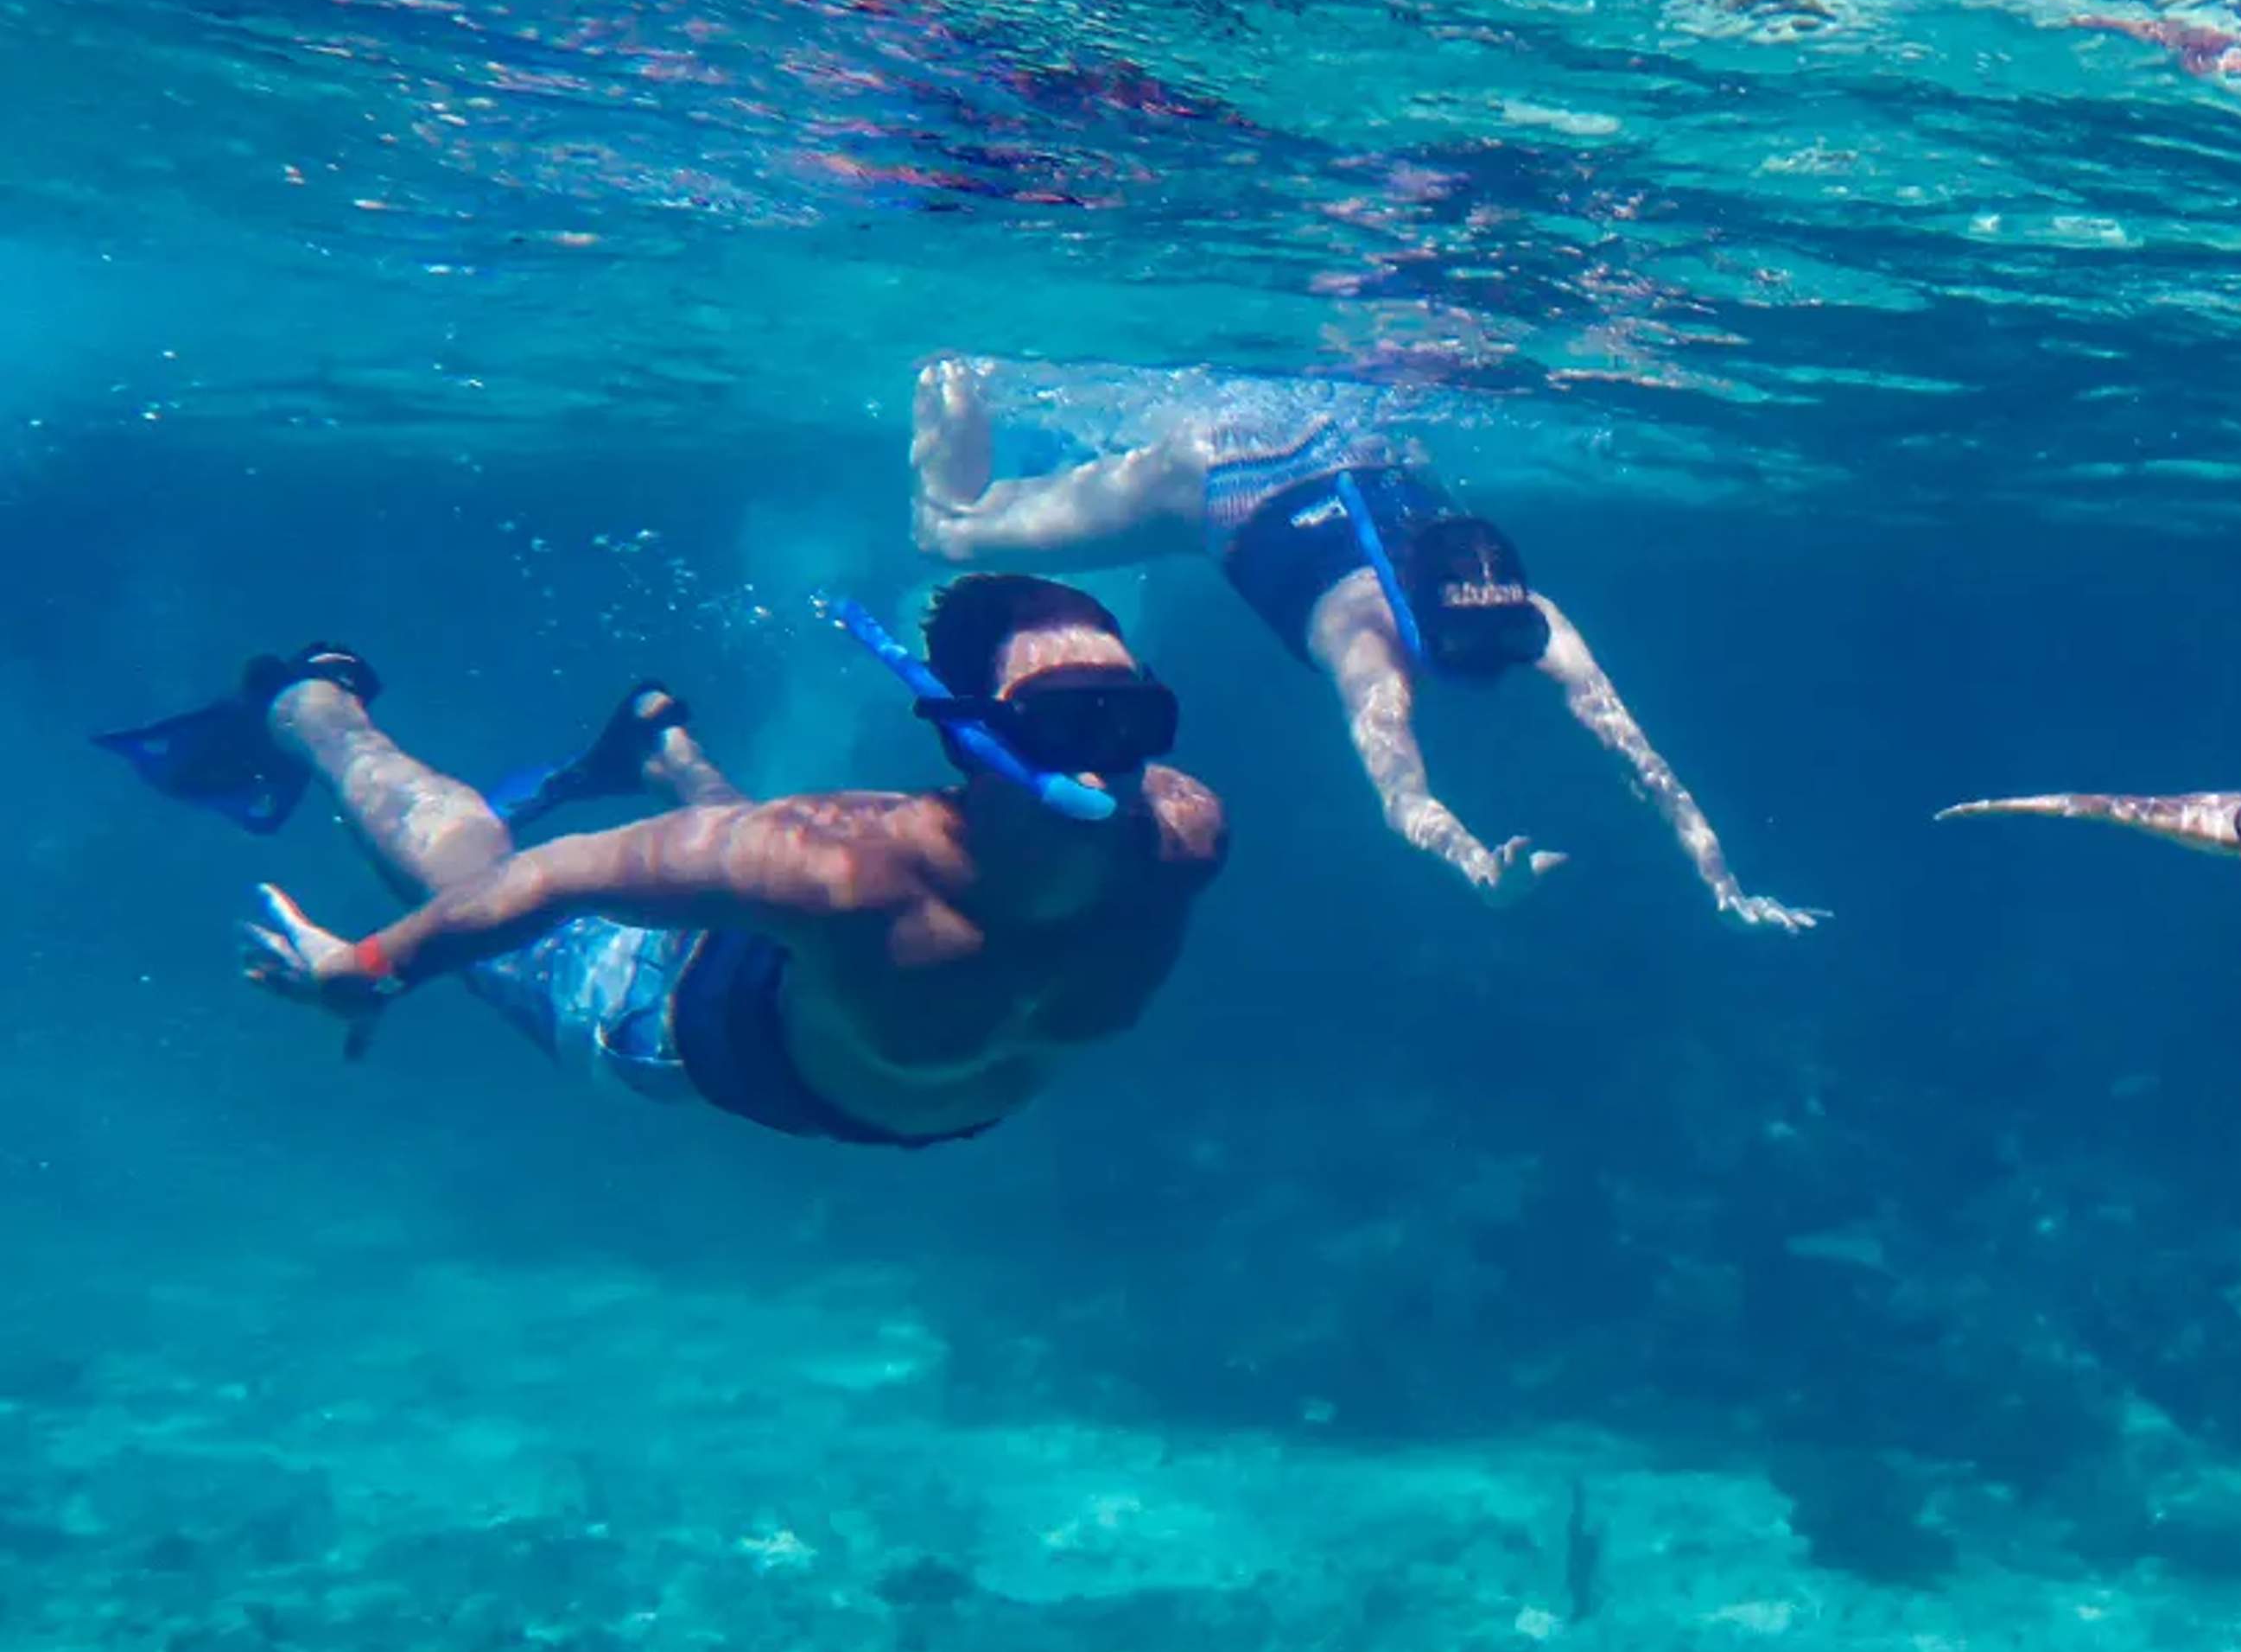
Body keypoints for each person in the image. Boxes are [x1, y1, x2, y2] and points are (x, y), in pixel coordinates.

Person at [89, 575, 1225, 1147]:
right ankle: (313, 706)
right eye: (1070, 725)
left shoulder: (1180, 841)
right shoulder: (845, 864)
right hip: (665, 1020)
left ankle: (659, 746)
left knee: (752, 879)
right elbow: (554, 874)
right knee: (465, 864)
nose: (1114, 762)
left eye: (1139, 720)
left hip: (813, 984)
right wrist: (371, 965)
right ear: (971, 736)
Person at [908, 356, 1820, 931]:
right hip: (1216, 481)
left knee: (979, 522)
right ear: (1418, 617)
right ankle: (951, 380)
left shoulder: (1519, 613)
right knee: (948, 534)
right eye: (1474, 650)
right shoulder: (1366, 638)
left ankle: (968, 386)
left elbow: (1631, 748)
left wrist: (1720, 877)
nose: (1496, 662)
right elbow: (1400, 792)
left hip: (1336, 437)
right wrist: (1474, 866)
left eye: (1500, 641)